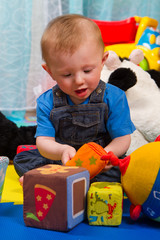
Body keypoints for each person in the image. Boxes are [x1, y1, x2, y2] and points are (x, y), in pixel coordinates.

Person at [13, 14, 135, 184]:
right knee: (23, 159)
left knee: (127, 169)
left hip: (100, 162)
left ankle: (53, 180)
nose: (79, 80)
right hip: (62, 161)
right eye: (67, 74)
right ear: (50, 72)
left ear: (102, 61)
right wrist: (61, 150)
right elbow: (43, 142)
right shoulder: (47, 102)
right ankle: (56, 178)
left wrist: (106, 156)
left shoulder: (114, 97)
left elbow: (122, 138)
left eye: (87, 71)